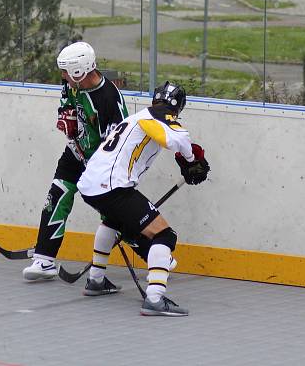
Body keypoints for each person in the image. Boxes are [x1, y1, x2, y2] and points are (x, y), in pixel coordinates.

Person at [76, 81, 210, 316]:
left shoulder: (138, 118)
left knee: (112, 222)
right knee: (164, 235)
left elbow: (164, 138)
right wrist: (190, 160)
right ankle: (155, 298)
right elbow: (176, 139)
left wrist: (186, 158)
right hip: (112, 187)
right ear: (178, 107)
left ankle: (96, 280)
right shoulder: (158, 115)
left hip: (91, 186)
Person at [22, 41, 129, 280]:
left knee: (115, 213)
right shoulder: (71, 83)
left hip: (103, 163)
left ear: (79, 71)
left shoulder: (108, 99)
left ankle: (152, 246)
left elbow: (115, 144)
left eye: (65, 71)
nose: (62, 76)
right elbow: (66, 105)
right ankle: (44, 259)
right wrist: (65, 118)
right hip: (75, 152)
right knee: (56, 195)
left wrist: (99, 168)